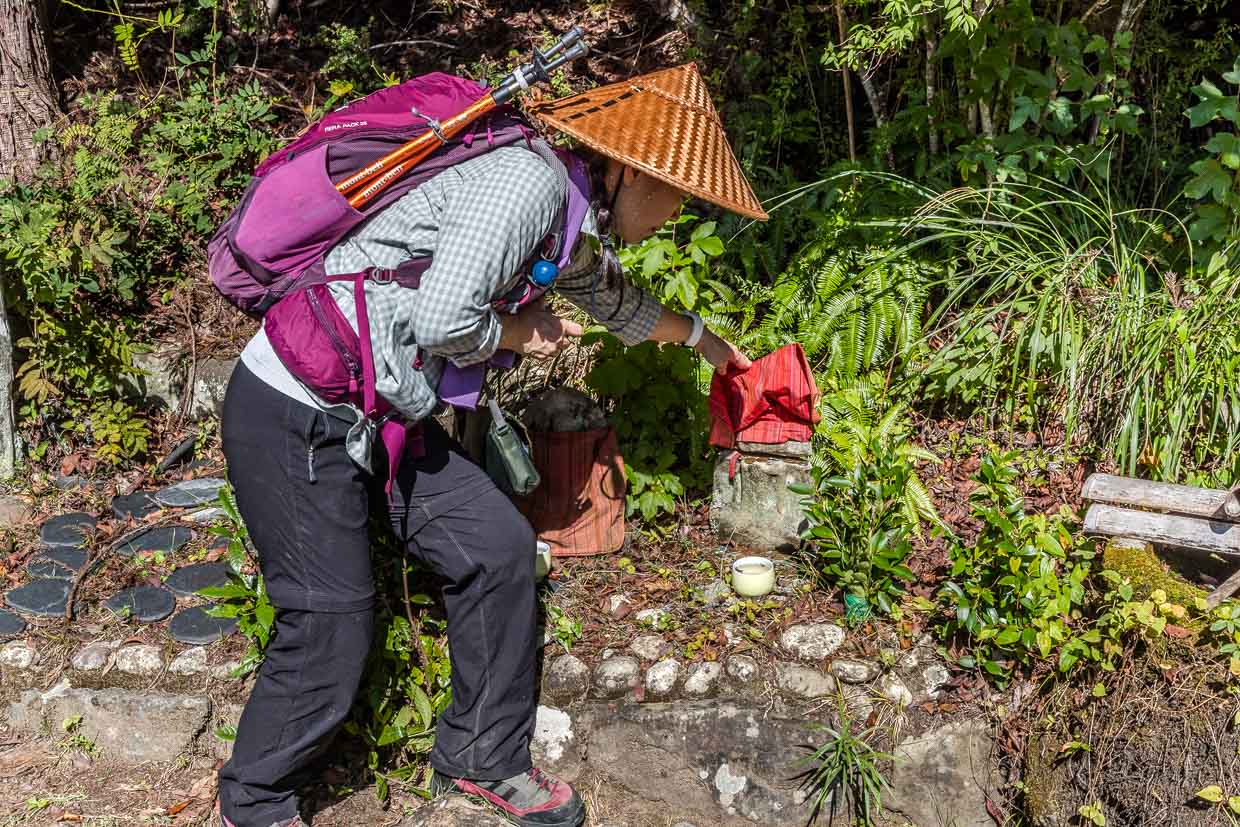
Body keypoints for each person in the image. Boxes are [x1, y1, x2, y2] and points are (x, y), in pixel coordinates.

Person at [216, 63, 767, 827]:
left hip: (380, 414)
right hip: (294, 409)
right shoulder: (527, 186)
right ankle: (255, 799)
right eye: (675, 192)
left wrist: (711, 344)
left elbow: (612, 300)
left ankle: (480, 757)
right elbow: (446, 320)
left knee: (497, 549)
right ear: (628, 173)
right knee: (330, 619)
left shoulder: (563, 214)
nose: (675, 211)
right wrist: (520, 330)